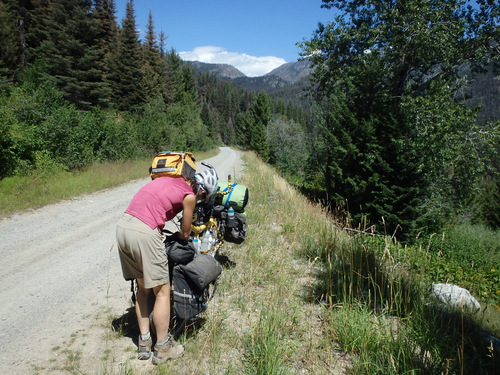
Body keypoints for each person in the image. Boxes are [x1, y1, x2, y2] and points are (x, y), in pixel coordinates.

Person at [116, 168, 218, 364]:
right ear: (202, 192)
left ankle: (144, 342)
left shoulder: (170, 179)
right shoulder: (189, 196)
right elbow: (186, 232)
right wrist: (179, 236)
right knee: (162, 291)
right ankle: (163, 347)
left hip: (123, 228)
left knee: (143, 288)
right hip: (144, 232)